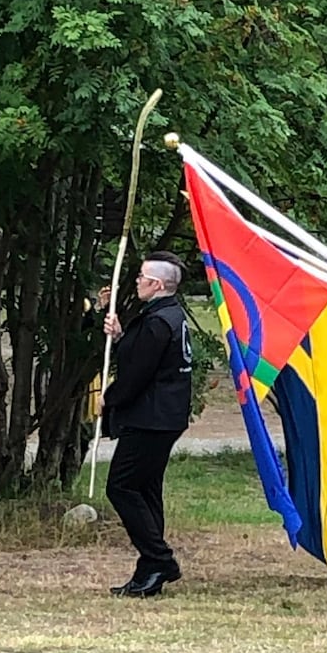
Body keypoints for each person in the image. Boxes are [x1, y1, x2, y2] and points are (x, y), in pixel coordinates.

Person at [101, 251, 193, 598]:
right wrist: (122, 336)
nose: (137, 281)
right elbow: (143, 356)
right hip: (164, 415)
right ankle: (149, 569)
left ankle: (161, 560)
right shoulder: (168, 315)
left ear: (155, 284)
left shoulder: (158, 321)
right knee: (146, 489)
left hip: (152, 418)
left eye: (141, 277)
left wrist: (108, 399)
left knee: (122, 487)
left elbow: (138, 373)